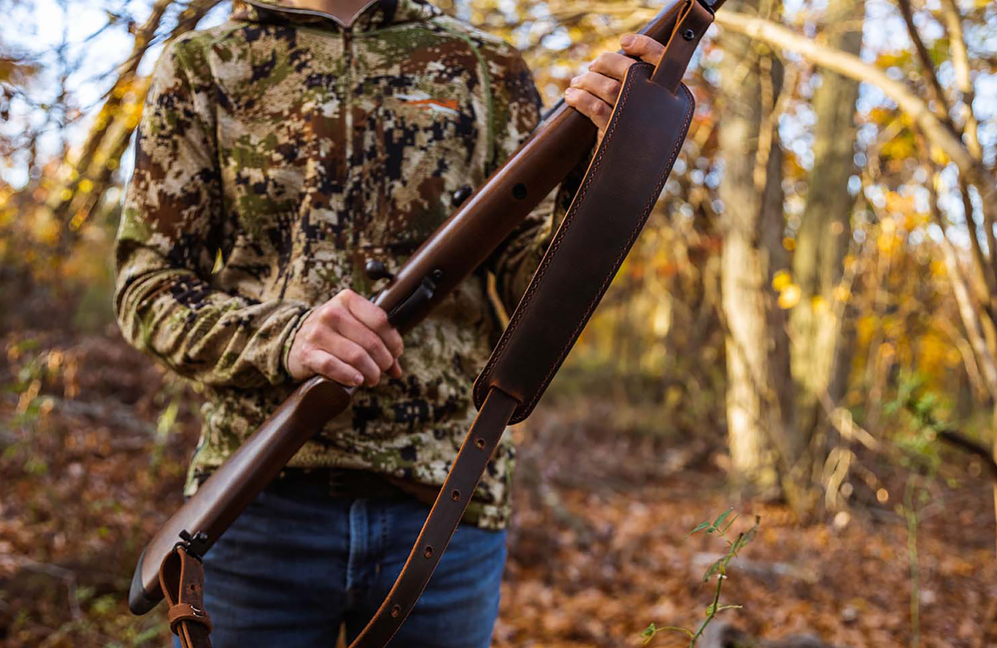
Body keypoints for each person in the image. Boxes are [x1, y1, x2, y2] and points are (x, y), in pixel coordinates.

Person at [114, 0, 662, 645]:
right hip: (256, 505)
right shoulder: (202, 65)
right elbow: (148, 289)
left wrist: (600, 172)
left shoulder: (487, 65)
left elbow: (533, 289)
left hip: (444, 506)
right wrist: (286, 338)